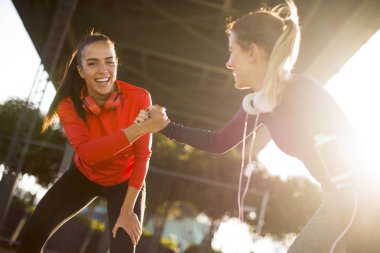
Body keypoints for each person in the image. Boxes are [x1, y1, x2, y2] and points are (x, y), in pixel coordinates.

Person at [135, 0, 380, 252]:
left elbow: (347, 163)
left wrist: (361, 229)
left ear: (251, 52)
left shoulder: (302, 91)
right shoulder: (260, 104)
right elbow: (217, 142)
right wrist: (164, 126)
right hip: (340, 202)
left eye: (232, 51)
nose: (228, 62)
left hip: (365, 200)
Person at [16, 32, 169, 253]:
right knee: (31, 236)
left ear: (117, 63)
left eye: (109, 61)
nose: (103, 70)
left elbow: (143, 155)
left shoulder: (140, 97)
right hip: (83, 176)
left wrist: (127, 211)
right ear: (81, 70)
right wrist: (142, 127)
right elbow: (89, 153)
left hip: (125, 184)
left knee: (124, 249)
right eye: (92, 63)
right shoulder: (69, 105)